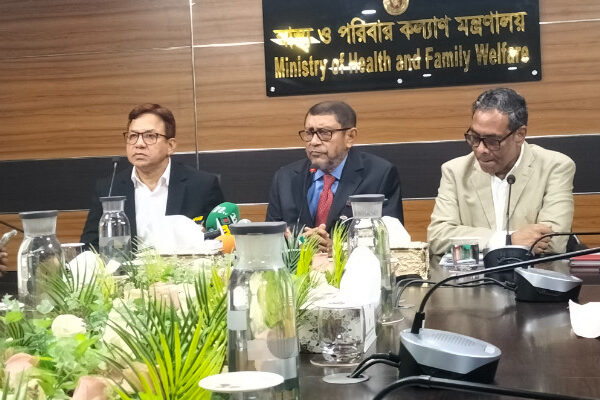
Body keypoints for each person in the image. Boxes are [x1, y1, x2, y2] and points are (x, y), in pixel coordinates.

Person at [427, 88, 575, 255]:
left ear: (520, 135)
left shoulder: (555, 167)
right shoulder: (455, 171)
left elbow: (553, 241)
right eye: (474, 138)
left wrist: (472, 241)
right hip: (473, 272)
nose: (480, 149)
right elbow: (437, 238)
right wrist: (506, 240)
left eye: (492, 141)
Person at [81, 103, 224, 249]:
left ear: (170, 146)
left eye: (150, 136)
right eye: (133, 136)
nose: (139, 144)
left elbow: (220, 240)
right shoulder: (109, 188)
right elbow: (90, 246)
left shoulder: (202, 186)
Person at [266, 101, 403, 251]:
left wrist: (339, 248)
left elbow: (392, 240)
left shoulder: (379, 175)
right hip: (297, 266)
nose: (314, 142)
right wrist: (303, 241)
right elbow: (271, 239)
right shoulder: (285, 178)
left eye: (325, 133)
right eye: (309, 133)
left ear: (350, 137)